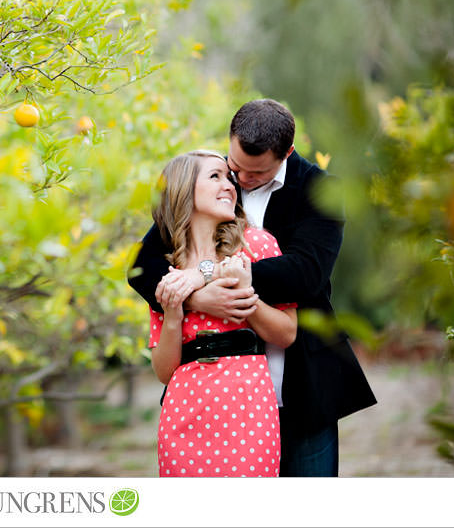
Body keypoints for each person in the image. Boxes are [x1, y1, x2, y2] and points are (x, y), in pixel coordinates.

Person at [129, 98, 376, 477]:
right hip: (212, 392)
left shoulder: (319, 190)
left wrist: (207, 274)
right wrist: (198, 297)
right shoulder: (214, 184)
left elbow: (305, 273)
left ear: (287, 153)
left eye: (254, 174)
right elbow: (143, 266)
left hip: (303, 378)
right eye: (234, 167)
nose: (239, 181)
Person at [148, 149, 297, 476]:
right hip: (184, 409)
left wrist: (247, 294)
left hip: (246, 406)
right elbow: (163, 371)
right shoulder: (167, 267)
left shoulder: (257, 245)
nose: (229, 185)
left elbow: (286, 334)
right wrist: (173, 314)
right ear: (183, 189)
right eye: (214, 176)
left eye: (228, 177)